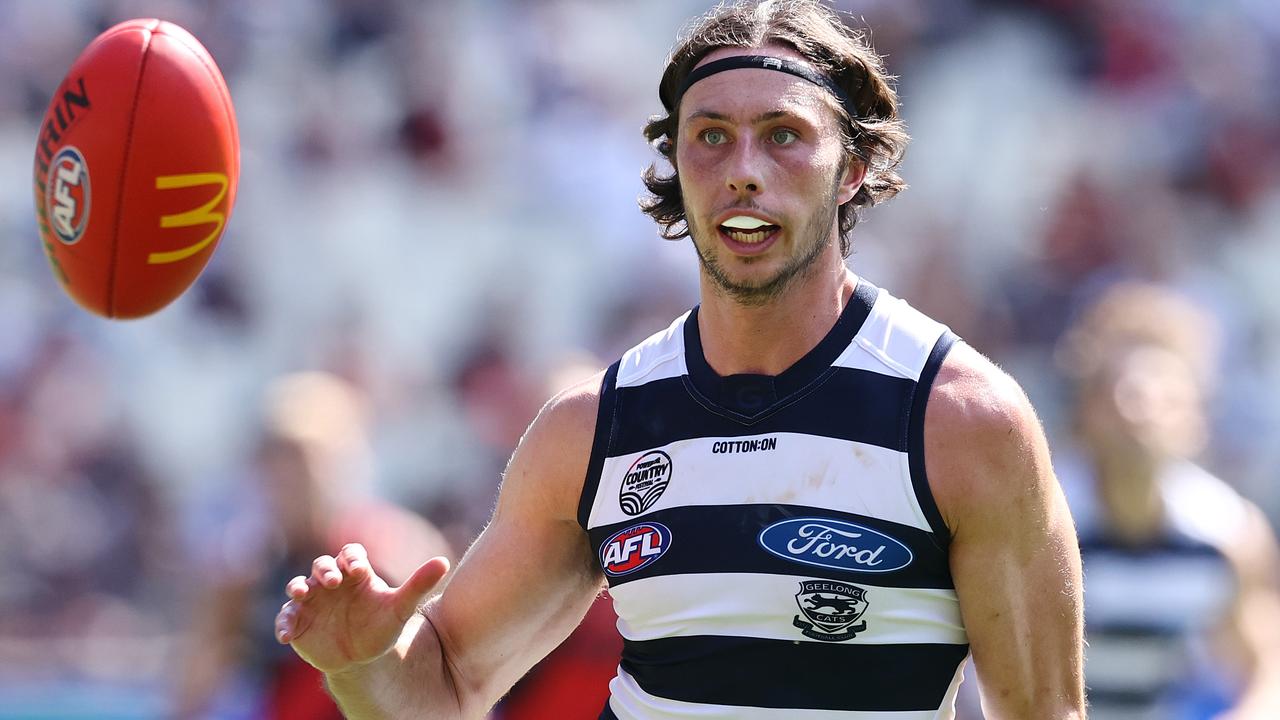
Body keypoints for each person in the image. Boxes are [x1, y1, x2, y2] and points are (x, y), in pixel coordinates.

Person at [274, 2, 1085, 717]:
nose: (742, 171)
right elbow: (444, 692)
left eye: (784, 136)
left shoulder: (963, 421)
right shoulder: (594, 429)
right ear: (675, 166)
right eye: (710, 137)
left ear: (854, 170)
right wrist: (362, 665)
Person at [1055, 282, 1280, 720]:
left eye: (1167, 397)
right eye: (1126, 394)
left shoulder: (1230, 533)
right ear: (1089, 411)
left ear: (1196, 417)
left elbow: (1265, 671)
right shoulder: (1039, 519)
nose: (1142, 411)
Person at [173, 372, 450, 719]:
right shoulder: (253, 570)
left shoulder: (388, 551)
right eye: (274, 462)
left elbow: (442, 678)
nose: (286, 482)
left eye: (300, 462)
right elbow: (195, 683)